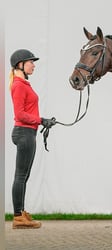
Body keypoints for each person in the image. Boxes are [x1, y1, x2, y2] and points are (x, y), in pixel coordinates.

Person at [9, 49, 56, 229]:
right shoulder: (19, 85)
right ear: (20, 64)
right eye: (30, 62)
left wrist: (42, 120)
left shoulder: (23, 84)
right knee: (20, 176)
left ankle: (20, 213)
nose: (33, 65)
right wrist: (41, 120)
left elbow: (27, 112)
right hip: (24, 133)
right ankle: (18, 217)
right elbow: (20, 114)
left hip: (28, 133)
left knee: (24, 176)